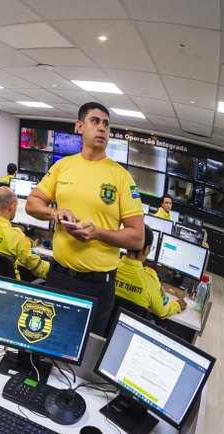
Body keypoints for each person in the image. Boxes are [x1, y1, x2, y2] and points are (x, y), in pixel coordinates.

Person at [26, 102, 144, 334]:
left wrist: (97, 233)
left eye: (106, 124)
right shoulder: (63, 166)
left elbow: (137, 238)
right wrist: (55, 213)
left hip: (97, 284)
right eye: (95, 121)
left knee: (85, 352)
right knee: (46, 338)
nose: (102, 128)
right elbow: (32, 203)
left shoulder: (122, 177)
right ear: (79, 126)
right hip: (58, 274)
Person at [115, 225, 187, 320]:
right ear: (147, 249)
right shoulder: (150, 279)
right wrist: (177, 305)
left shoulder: (110, 266)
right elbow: (163, 311)